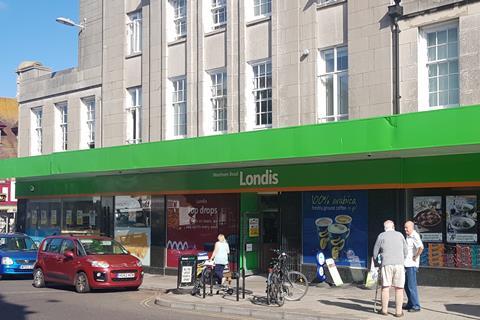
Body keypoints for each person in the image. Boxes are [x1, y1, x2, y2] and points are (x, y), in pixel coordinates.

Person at [373, 220, 408, 317]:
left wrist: (376, 263)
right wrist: (401, 259)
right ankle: (398, 312)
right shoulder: (400, 235)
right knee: (399, 288)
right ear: (393, 227)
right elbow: (405, 250)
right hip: (399, 264)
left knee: (385, 287)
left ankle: (384, 310)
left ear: (385, 228)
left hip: (386, 264)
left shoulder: (381, 235)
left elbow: (375, 251)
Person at [403, 221, 424, 312]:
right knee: (406, 285)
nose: (405, 229)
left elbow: (421, 247)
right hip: (406, 263)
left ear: (412, 227)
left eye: (407, 227)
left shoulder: (415, 235)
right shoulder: (408, 236)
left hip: (411, 264)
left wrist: (415, 256)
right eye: (404, 227)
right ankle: (410, 303)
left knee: (411, 286)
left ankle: (416, 305)